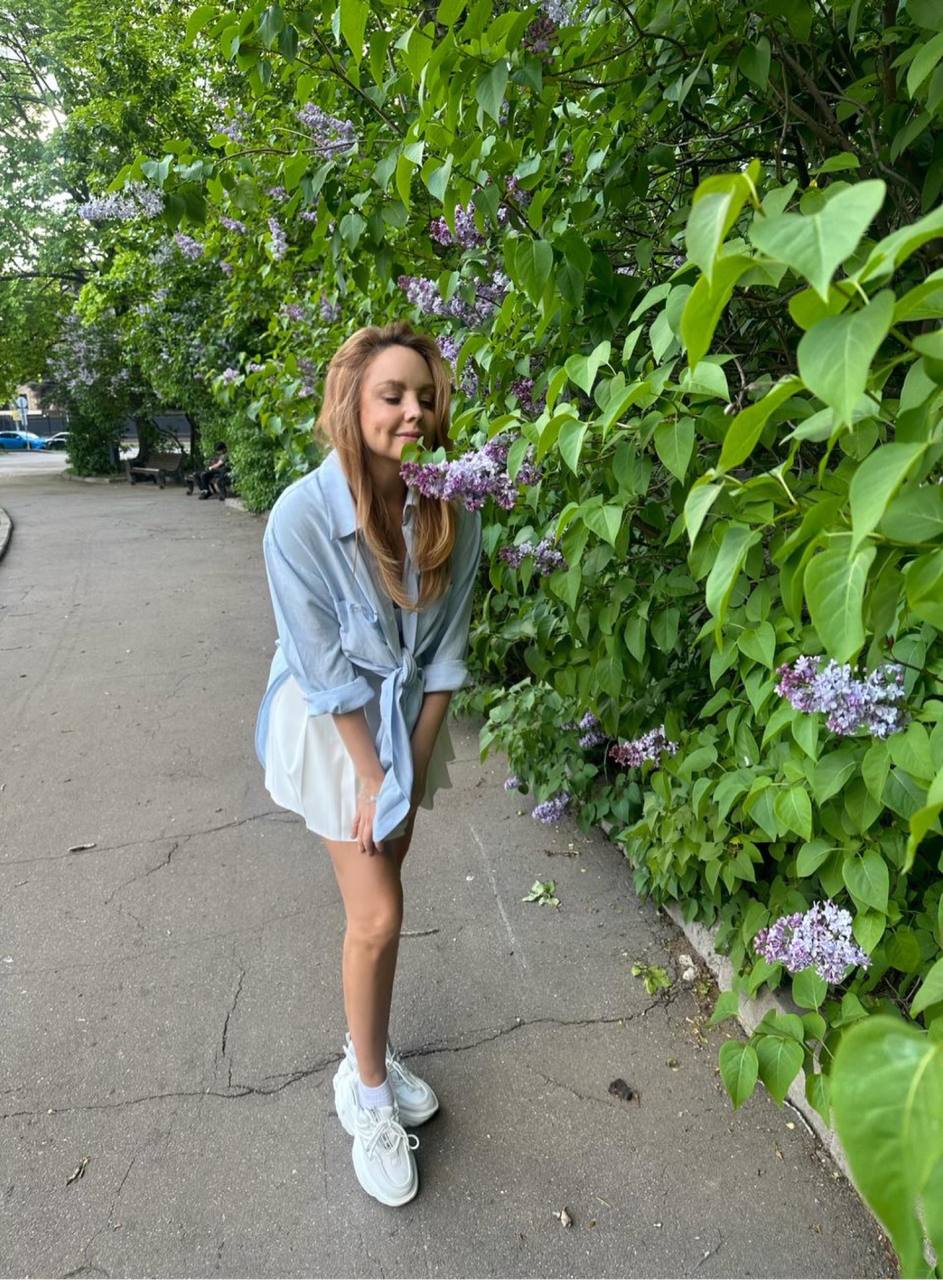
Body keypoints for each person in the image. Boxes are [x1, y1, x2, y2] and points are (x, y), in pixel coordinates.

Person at [255, 321, 483, 1207]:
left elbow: (447, 654)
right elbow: (322, 671)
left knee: (387, 886)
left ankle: (366, 1048)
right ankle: (368, 1096)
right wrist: (374, 775)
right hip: (335, 731)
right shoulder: (300, 517)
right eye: (392, 395)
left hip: (408, 726)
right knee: (378, 914)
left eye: (424, 396)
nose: (413, 411)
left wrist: (411, 772)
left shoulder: (451, 511)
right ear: (352, 403)